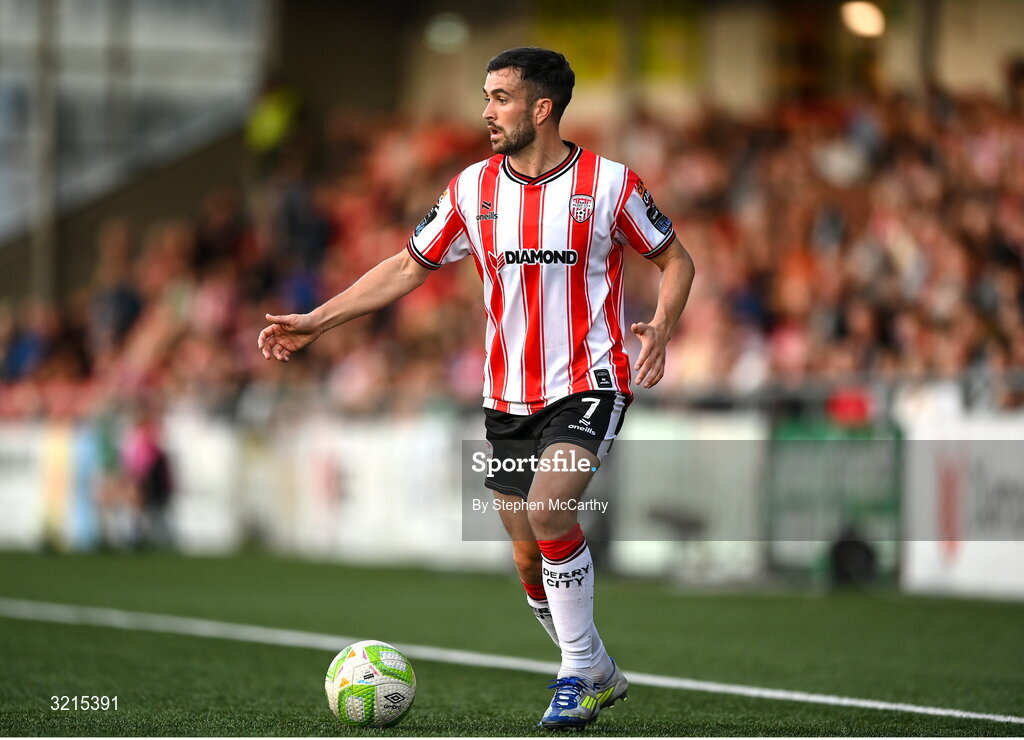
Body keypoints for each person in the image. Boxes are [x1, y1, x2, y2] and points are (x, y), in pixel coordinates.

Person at [258, 47, 695, 729]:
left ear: (541, 108)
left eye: (500, 97)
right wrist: (319, 319)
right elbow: (408, 266)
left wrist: (664, 323)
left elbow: (675, 259)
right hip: (507, 396)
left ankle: (577, 674)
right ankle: (599, 669)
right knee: (526, 549)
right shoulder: (471, 190)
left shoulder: (610, 185)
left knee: (550, 511)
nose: (486, 112)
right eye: (486, 97)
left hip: (591, 380)